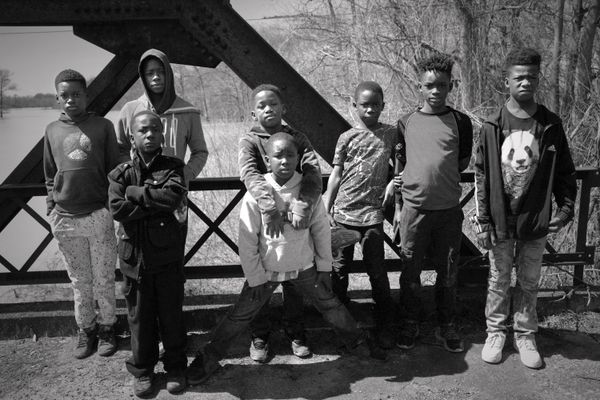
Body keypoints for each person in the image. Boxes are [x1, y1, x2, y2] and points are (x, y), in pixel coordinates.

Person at [186, 133, 387, 386]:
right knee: (240, 315)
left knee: (330, 305)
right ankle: (209, 357)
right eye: (278, 156)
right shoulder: (257, 193)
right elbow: (247, 240)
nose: (284, 161)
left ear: (298, 158)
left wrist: (324, 267)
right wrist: (255, 277)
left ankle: (357, 341)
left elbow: (321, 231)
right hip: (266, 272)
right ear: (267, 160)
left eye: (290, 155)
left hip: (304, 267)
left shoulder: (307, 192)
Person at [474, 48, 576, 368]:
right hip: (501, 218)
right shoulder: (492, 124)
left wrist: (565, 209)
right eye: (519, 77)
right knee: (498, 279)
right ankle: (495, 332)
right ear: (506, 80)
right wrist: (483, 221)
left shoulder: (551, 124)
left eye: (531, 76)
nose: (525, 82)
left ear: (538, 79)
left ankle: (525, 334)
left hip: (535, 217)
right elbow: (481, 175)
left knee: (530, 280)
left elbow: (565, 172)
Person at [393, 54, 473, 353]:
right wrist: (398, 207)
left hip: (448, 212)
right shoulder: (406, 122)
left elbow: (462, 162)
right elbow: (400, 164)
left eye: (442, 85)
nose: (436, 91)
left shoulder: (461, 122)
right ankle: (409, 321)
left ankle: (447, 323)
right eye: (429, 85)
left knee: (448, 271)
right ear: (420, 87)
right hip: (414, 211)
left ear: (451, 86)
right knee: (410, 271)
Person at [237, 83, 322, 362]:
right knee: (259, 283)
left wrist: (303, 205)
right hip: (265, 224)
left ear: (283, 108)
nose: (268, 109)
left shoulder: (297, 137)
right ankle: (259, 335)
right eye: (261, 106)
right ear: (253, 113)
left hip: (296, 223)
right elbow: (249, 173)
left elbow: (313, 171)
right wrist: (269, 207)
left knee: (294, 284)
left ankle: (295, 332)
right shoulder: (250, 141)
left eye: (273, 104)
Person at [108, 111, 189, 396]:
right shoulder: (120, 173)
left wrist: (135, 194)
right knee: (139, 319)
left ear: (162, 135)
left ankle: (176, 367)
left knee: (171, 315)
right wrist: (154, 205)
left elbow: (173, 198)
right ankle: (142, 370)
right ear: (132, 137)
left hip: (167, 257)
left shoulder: (173, 168)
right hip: (134, 260)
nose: (150, 134)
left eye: (155, 129)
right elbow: (117, 208)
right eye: (143, 130)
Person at [43, 69, 119, 359]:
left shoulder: (103, 126)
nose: (70, 100)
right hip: (65, 219)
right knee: (80, 281)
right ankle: (86, 329)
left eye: (76, 94)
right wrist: (51, 207)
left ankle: (108, 328)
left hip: (98, 214)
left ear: (86, 96)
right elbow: (49, 174)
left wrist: (110, 207)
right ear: (57, 98)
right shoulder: (52, 130)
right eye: (64, 95)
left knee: (104, 278)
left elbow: (114, 168)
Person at [322, 81, 397, 349]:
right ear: (355, 105)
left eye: (375, 105)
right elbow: (336, 174)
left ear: (383, 106)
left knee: (377, 271)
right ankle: (340, 326)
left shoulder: (391, 133)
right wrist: (326, 207)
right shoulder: (347, 137)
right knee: (339, 271)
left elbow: (403, 163)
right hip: (344, 214)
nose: (370, 109)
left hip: (373, 215)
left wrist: (393, 182)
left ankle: (385, 325)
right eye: (364, 105)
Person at [116, 48, 208, 185]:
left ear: (169, 74)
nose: (156, 77)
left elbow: (200, 152)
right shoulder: (130, 110)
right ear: (143, 77)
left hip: (174, 192)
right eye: (150, 73)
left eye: (161, 72)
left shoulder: (188, 112)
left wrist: (182, 177)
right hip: (140, 191)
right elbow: (120, 149)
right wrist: (133, 175)